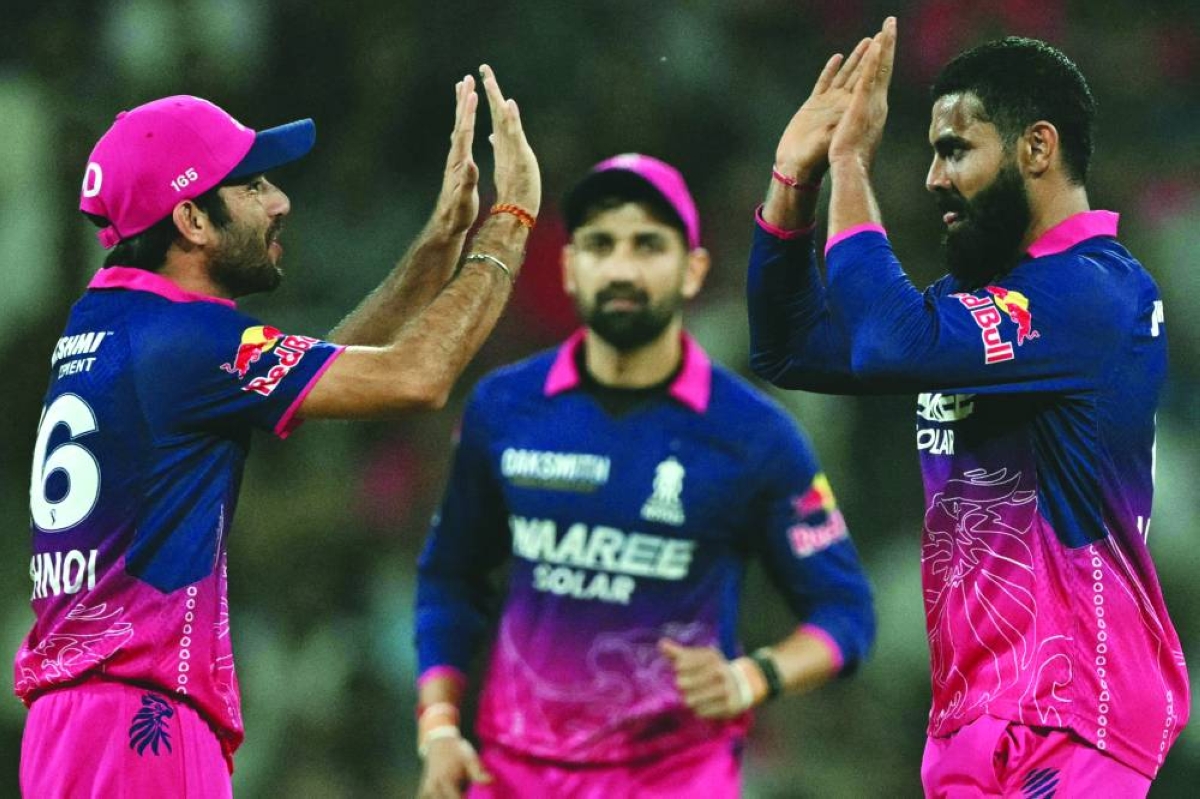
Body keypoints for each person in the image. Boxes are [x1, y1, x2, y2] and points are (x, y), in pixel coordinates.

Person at [17, 65, 538, 798]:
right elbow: (417, 376)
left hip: (73, 726)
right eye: (253, 185)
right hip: (142, 725)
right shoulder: (191, 342)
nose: (281, 200)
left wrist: (439, 242)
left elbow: (318, 371)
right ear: (193, 220)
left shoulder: (112, 322)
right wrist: (509, 222)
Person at [746, 18, 1189, 797]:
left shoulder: (1097, 291)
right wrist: (794, 184)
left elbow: (890, 344)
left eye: (955, 149)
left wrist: (849, 162)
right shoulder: (980, 307)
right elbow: (789, 348)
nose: (932, 178)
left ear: (1036, 148)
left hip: (1076, 712)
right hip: (972, 716)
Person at [414, 153, 875, 798]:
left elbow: (845, 614)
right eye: (600, 245)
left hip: (674, 779)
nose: (623, 268)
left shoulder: (753, 433)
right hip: (513, 777)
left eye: (648, 245)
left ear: (693, 271)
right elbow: (450, 578)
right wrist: (438, 728)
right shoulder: (504, 407)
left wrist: (752, 677)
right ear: (570, 268)